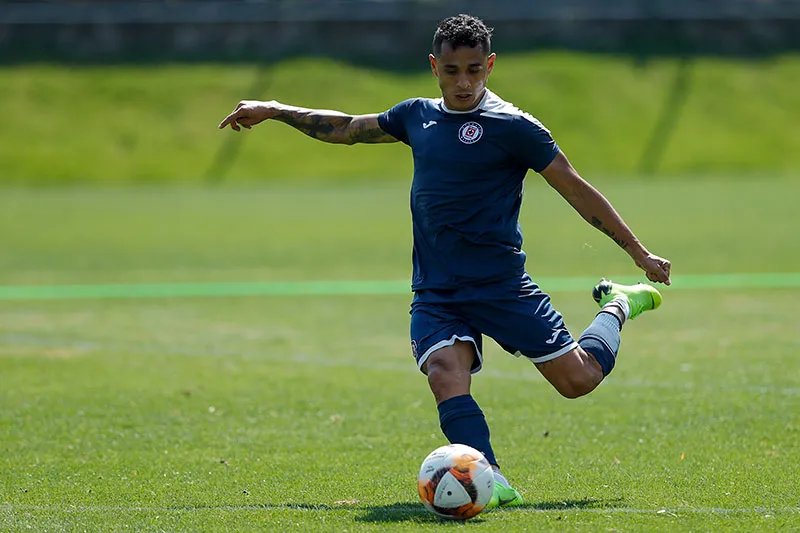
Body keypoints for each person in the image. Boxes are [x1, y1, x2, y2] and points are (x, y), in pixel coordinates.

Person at [218, 13, 671, 509]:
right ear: (435, 66)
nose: (463, 81)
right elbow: (347, 128)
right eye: (452, 70)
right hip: (437, 290)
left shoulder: (515, 127)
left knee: (578, 381)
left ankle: (618, 306)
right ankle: (490, 478)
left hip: (501, 286)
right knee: (443, 371)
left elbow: (576, 188)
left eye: (474, 69)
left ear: (490, 65)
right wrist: (274, 108)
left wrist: (637, 252)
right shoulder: (417, 116)